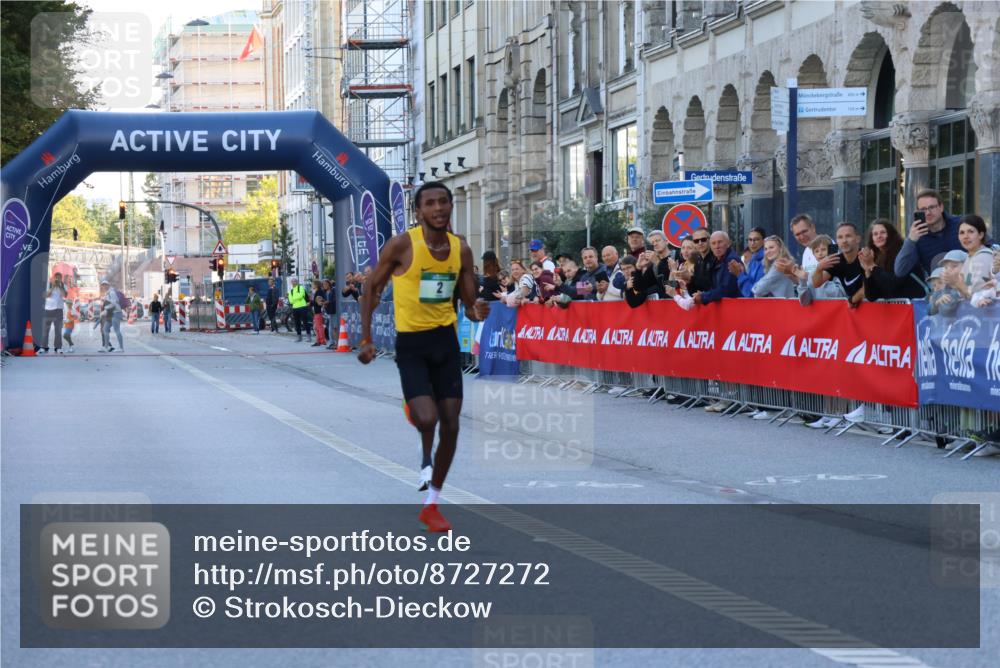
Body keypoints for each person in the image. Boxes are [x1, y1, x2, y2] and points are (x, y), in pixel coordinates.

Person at [358, 181, 489, 532]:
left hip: (445, 341)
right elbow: (371, 287)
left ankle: (432, 502)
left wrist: (478, 310)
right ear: (418, 212)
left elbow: (468, 299)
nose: (438, 208)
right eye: (429, 203)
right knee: (428, 418)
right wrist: (366, 338)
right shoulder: (403, 245)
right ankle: (416, 409)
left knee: (452, 423)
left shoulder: (462, 249)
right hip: (412, 344)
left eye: (443, 202)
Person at [894, 189, 962, 278]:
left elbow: (985, 246)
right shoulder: (917, 237)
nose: (928, 213)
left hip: (968, 285)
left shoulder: (961, 224)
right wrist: (910, 240)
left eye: (932, 207)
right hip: (940, 289)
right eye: (923, 209)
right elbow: (900, 270)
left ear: (941, 207)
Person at [860, 219, 927, 301]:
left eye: (883, 232)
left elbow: (892, 286)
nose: (879, 236)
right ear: (872, 240)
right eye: (875, 234)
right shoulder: (875, 258)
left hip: (914, 308)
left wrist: (872, 266)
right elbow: (871, 296)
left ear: (891, 234)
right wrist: (867, 271)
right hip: (894, 310)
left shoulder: (903, 254)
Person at [813, 222, 866, 308]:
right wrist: (819, 268)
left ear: (858, 239)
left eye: (848, 236)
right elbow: (816, 284)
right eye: (840, 237)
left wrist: (853, 299)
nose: (844, 240)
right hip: (855, 311)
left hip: (877, 308)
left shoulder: (865, 256)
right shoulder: (836, 260)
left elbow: (869, 286)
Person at [946, 214, 994, 301]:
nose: (966, 236)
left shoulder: (982, 258)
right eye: (962, 233)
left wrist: (956, 282)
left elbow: (977, 296)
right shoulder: (971, 257)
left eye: (971, 232)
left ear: (981, 235)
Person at [692, 231, 741, 306]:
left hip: (735, 306)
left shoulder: (730, 260)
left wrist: (703, 296)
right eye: (713, 243)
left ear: (728, 243)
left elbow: (727, 289)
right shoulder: (698, 261)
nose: (717, 246)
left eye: (720, 242)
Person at [797, 235, 847, 305]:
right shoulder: (813, 274)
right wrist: (802, 282)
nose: (820, 253)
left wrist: (822, 280)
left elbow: (840, 296)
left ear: (831, 251)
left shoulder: (840, 270)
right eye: (816, 251)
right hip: (818, 315)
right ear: (813, 255)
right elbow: (805, 302)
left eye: (823, 249)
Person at [38, 272, 67, 354]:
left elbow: (64, 295)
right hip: (48, 310)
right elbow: (46, 295)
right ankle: (44, 347)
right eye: (56, 277)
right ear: (53, 278)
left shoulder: (63, 286)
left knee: (58, 330)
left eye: (59, 277)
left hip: (58, 310)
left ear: (61, 278)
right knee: (45, 330)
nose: (58, 279)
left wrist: (60, 286)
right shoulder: (49, 284)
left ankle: (58, 347)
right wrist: (53, 286)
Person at [735, 228, 766, 297]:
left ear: (763, 241)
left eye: (756, 239)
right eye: (750, 240)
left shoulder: (766, 261)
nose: (752, 243)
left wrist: (740, 275)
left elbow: (753, 293)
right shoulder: (753, 259)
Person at [287, 277, 311, 342]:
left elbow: (301, 295)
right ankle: (299, 337)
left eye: (295, 281)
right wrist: (297, 298)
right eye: (292, 282)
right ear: (291, 283)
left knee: (305, 322)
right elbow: (291, 301)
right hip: (295, 308)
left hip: (302, 307)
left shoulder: (301, 288)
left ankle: (309, 336)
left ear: (297, 282)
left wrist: (295, 298)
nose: (293, 283)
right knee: (297, 323)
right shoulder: (291, 291)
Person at [309, 281, 327, 346]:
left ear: (316, 285)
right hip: (317, 311)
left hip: (319, 311)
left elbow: (319, 301)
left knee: (319, 326)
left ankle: (322, 340)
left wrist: (311, 303)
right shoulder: (317, 291)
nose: (312, 285)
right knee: (317, 326)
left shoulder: (319, 292)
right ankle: (319, 340)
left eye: (312, 284)